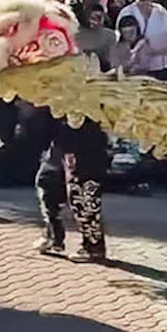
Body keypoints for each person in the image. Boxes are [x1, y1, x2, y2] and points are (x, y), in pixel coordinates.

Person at [25, 106, 109, 263]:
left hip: (86, 144)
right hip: (60, 141)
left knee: (83, 194)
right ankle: (53, 236)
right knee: (46, 182)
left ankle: (93, 247)